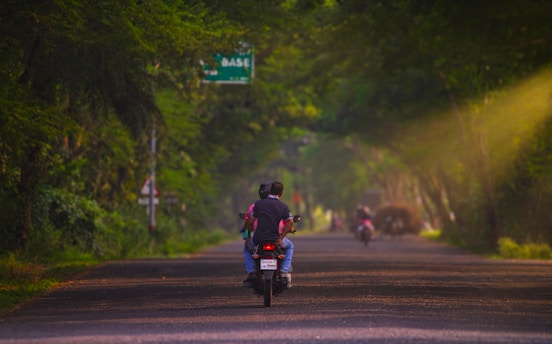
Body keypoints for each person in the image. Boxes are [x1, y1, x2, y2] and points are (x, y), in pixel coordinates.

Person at [244, 181, 295, 288]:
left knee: (247, 248)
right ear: (281, 194)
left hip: (259, 239)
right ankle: (283, 272)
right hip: (275, 240)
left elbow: (249, 221)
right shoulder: (283, 207)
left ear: (270, 191)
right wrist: (281, 238)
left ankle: (252, 272)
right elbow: (290, 222)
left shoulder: (258, 204)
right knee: (290, 246)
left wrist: (248, 236)